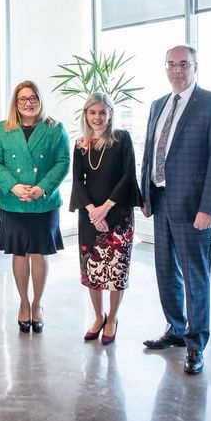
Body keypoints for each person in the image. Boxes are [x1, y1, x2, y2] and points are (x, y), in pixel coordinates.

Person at [140, 45, 211, 375]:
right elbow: (150, 152)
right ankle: (175, 330)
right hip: (161, 201)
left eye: (183, 64)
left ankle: (196, 345)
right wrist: (145, 196)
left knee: (195, 276)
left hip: (194, 207)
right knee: (165, 271)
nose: (176, 70)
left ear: (195, 67)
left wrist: (208, 208)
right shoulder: (158, 105)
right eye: (171, 64)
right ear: (165, 68)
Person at [0, 80, 69, 333]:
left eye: (33, 97)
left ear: (40, 100)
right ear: (16, 102)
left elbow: (63, 161)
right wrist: (14, 187)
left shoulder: (55, 128)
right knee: (20, 253)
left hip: (44, 201)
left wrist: (42, 187)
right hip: (14, 202)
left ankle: (38, 304)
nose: (28, 103)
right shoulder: (2, 129)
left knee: (39, 253)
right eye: (22, 99)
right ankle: (23, 303)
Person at [69, 92, 142, 345]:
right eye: (92, 112)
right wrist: (92, 210)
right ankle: (98, 316)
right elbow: (78, 181)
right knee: (92, 269)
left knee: (116, 271)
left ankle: (112, 319)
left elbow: (128, 176)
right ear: (86, 115)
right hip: (89, 216)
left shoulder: (122, 139)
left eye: (102, 112)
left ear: (110, 113)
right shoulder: (80, 144)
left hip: (118, 214)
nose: (97, 117)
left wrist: (105, 208)